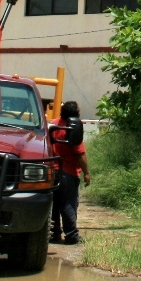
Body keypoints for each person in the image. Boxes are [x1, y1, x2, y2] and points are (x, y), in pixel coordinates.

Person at [50, 101, 90, 245]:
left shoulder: (53, 124)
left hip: (51, 171)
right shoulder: (74, 129)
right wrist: (86, 173)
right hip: (67, 172)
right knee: (68, 204)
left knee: (53, 204)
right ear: (75, 114)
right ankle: (71, 235)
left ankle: (53, 233)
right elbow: (80, 154)